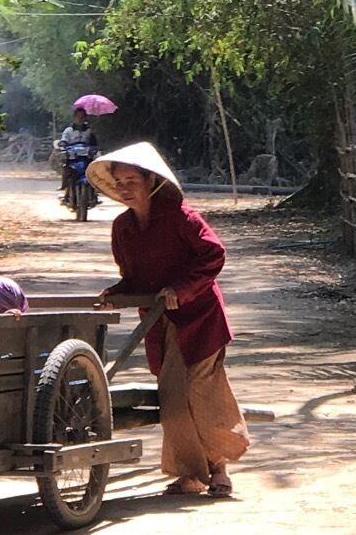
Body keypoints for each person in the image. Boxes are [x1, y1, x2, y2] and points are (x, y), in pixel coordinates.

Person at [91, 142, 248, 498]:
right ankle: (190, 475)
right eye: (120, 181)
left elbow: (214, 254)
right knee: (173, 399)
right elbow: (135, 278)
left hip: (201, 318)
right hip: (160, 323)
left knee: (202, 394)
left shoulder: (181, 216)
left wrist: (184, 288)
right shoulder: (123, 227)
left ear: (151, 181)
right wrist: (115, 293)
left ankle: (219, 469)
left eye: (133, 179)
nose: (125, 187)